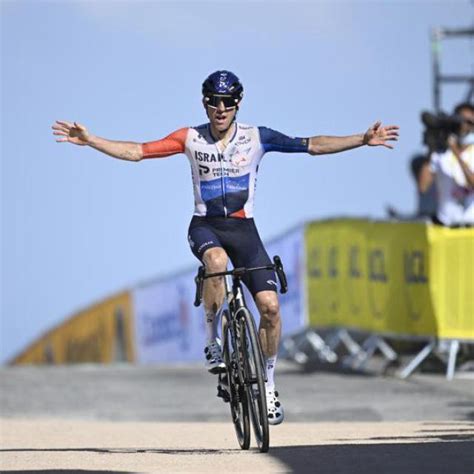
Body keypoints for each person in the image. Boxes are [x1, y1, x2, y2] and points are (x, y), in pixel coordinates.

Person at [52, 70, 399, 425]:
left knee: (270, 308)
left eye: (228, 101)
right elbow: (137, 152)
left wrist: (361, 139)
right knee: (215, 261)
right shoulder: (189, 138)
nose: (221, 108)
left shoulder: (256, 137)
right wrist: (92, 140)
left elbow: (312, 144)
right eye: (214, 102)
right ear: (204, 104)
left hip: (244, 230)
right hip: (205, 227)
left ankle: (267, 383)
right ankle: (212, 339)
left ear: (238, 103)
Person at [429, 102, 474, 226]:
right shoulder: (440, 153)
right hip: (445, 226)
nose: (464, 127)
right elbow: (423, 186)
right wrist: (430, 149)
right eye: (461, 121)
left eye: (470, 123)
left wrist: (456, 153)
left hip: (470, 227)